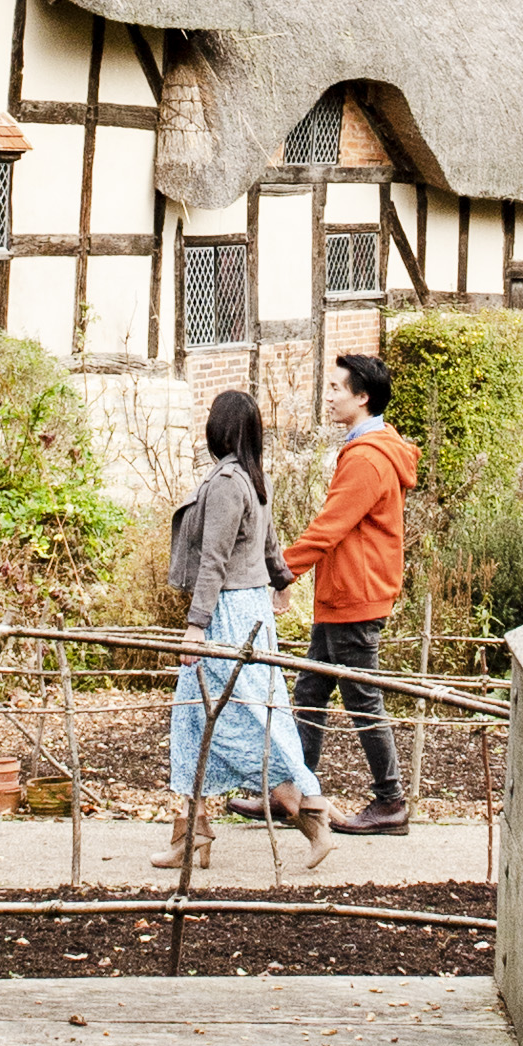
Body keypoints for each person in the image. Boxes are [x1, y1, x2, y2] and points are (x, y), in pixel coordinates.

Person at [166, 383, 325, 868]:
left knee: (241, 718)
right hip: (248, 607)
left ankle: (307, 808)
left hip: (227, 616)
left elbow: (214, 561)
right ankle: (190, 836)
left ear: (218, 430)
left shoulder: (226, 486)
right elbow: (271, 546)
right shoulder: (254, 480)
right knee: (194, 718)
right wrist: (280, 582)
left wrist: (196, 626)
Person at [283, 350, 419, 832]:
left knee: (361, 697)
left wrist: (282, 572)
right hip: (344, 591)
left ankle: (391, 802)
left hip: (354, 595)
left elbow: (329, 526)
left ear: (363, 398)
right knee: (312, 688)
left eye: (337, 388)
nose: (329, 395)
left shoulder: (368, 459)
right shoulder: (369, 448)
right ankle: (294, 792)